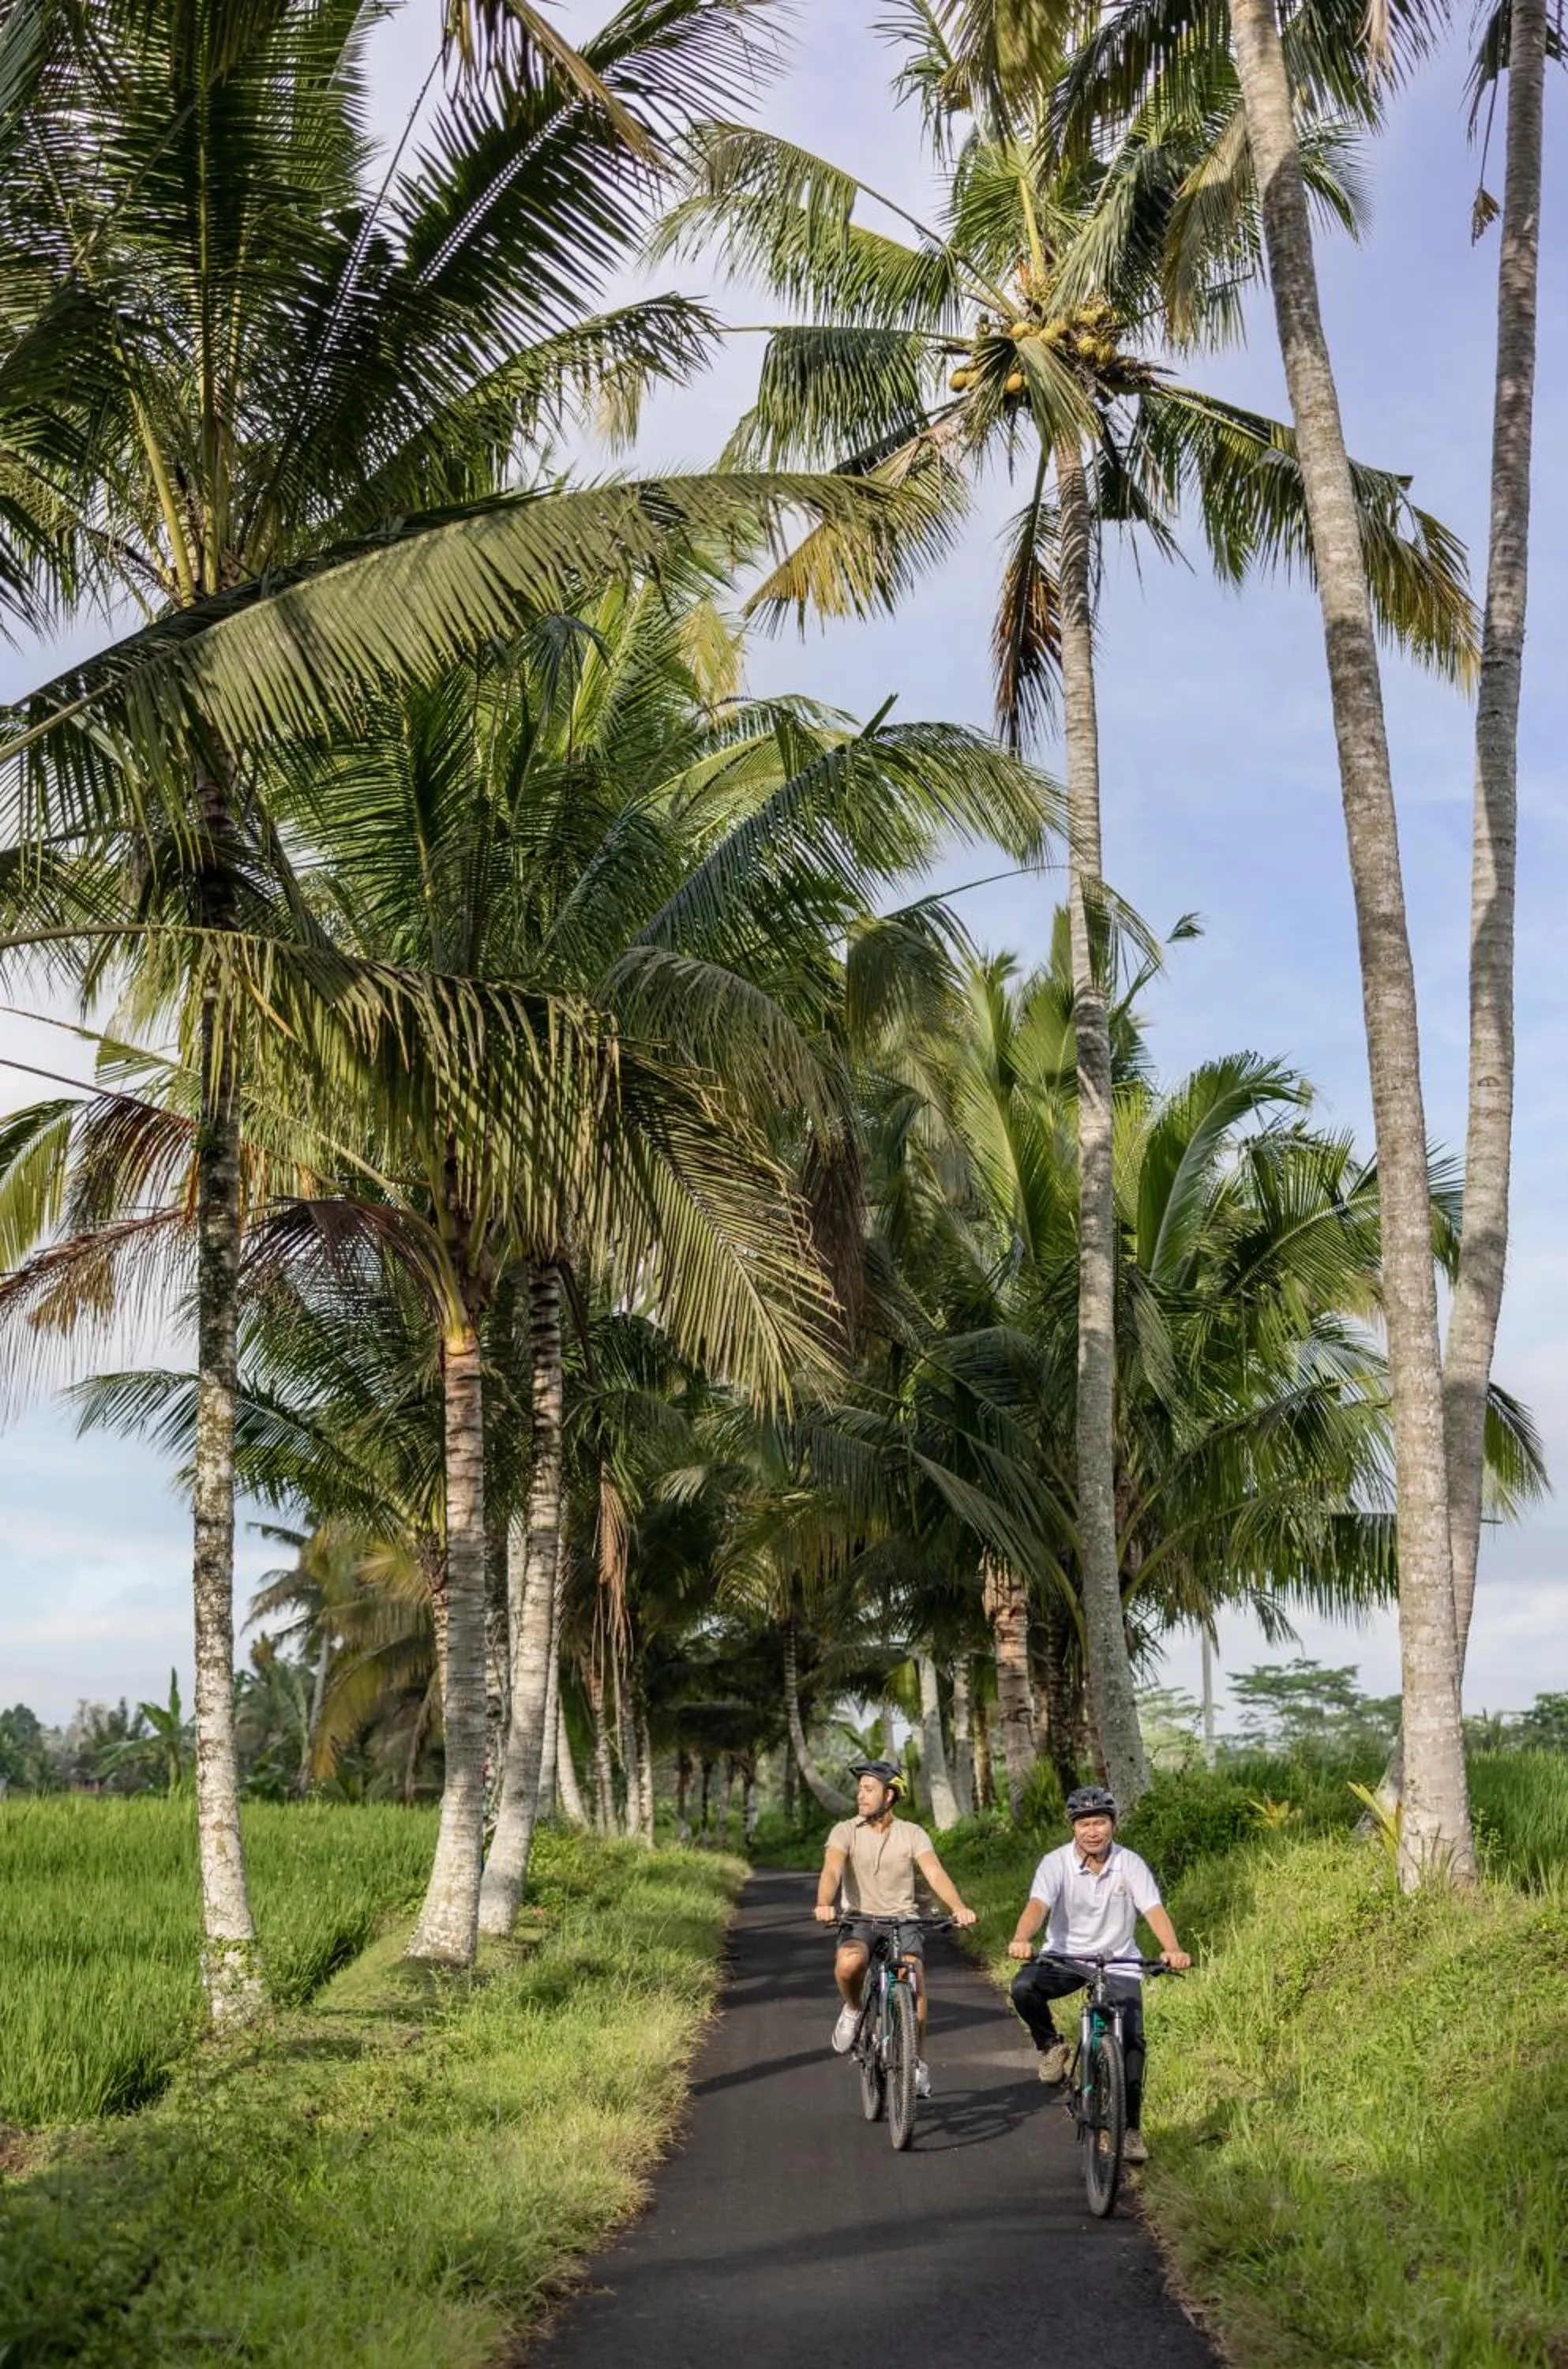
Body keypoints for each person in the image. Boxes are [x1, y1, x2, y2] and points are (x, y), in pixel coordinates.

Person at [1006, 1783, 1191, 2165]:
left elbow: (1153, 1910)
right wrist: (1022, 1938)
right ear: (1073, 1827)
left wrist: (1171, 1949)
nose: (1093, 1831)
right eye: (1084, 1823)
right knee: (1023, 1987)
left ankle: (1131, 2130)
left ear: (1114, 1824)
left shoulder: (1130, 1864)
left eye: (1100, 1822)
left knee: (1133, 2043)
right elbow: (1037, 1905)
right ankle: (1051, 2046)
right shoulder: (1055, 1863)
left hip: (1119, 1961)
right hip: (1066, 1958)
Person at [813, 1757, 977, 2101]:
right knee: (849, 1964)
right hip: (859, 1918)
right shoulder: (845, 1830)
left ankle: (915, 2061)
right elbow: (831, 1870)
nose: (861, 1795)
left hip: (903, 1920)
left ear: (889, 1795)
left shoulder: (912, 1834)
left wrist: (959, 1908)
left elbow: (934, 1873)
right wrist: (825, 1901)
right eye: (860, 1789)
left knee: (914, 1977)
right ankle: (855, 2008)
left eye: (869, 1789)